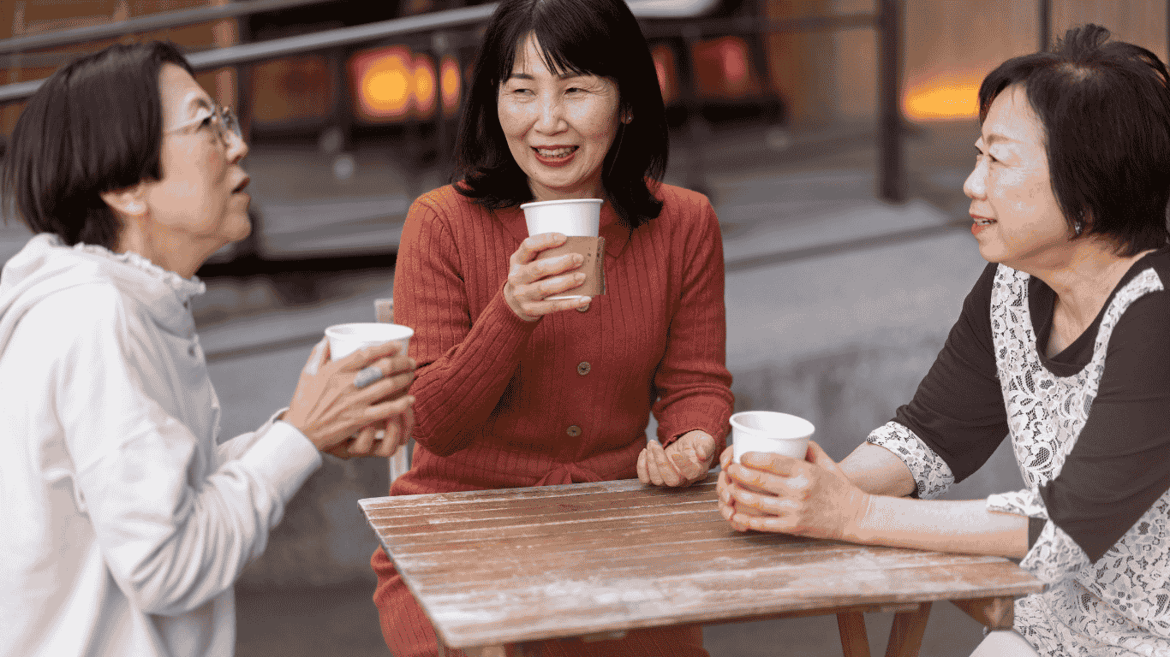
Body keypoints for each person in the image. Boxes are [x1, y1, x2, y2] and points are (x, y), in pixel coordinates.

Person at [718, 24, 1170, 657]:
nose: (971, 184)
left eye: (998, 160)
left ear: (1086, 195)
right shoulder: (1014, 281)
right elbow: (933, 435)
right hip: (1048, 629)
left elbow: (1069, 525)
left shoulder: (1155, 315)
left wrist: (853, 516)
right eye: (976, 153)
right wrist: (806, 493)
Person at [0, 42, 416, 657]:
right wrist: (297, 437)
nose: (238, 144)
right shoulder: (94, 318)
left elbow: (168, 493)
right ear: (125, 186)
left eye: (226, 119)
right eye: (206, 124)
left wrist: (306, 432)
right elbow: (169, 565)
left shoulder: (121, 300)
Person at [370, 0, 735, 654]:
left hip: (616, 526)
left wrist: (692, 442)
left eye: (575, 90)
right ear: (494, 100)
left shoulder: (684, 224)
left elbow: (696, 384)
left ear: (626, 101)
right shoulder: (440, 224)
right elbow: (434, 420)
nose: (548, 121)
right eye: (522, 91)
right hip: (462, 534)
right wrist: (511, 313)